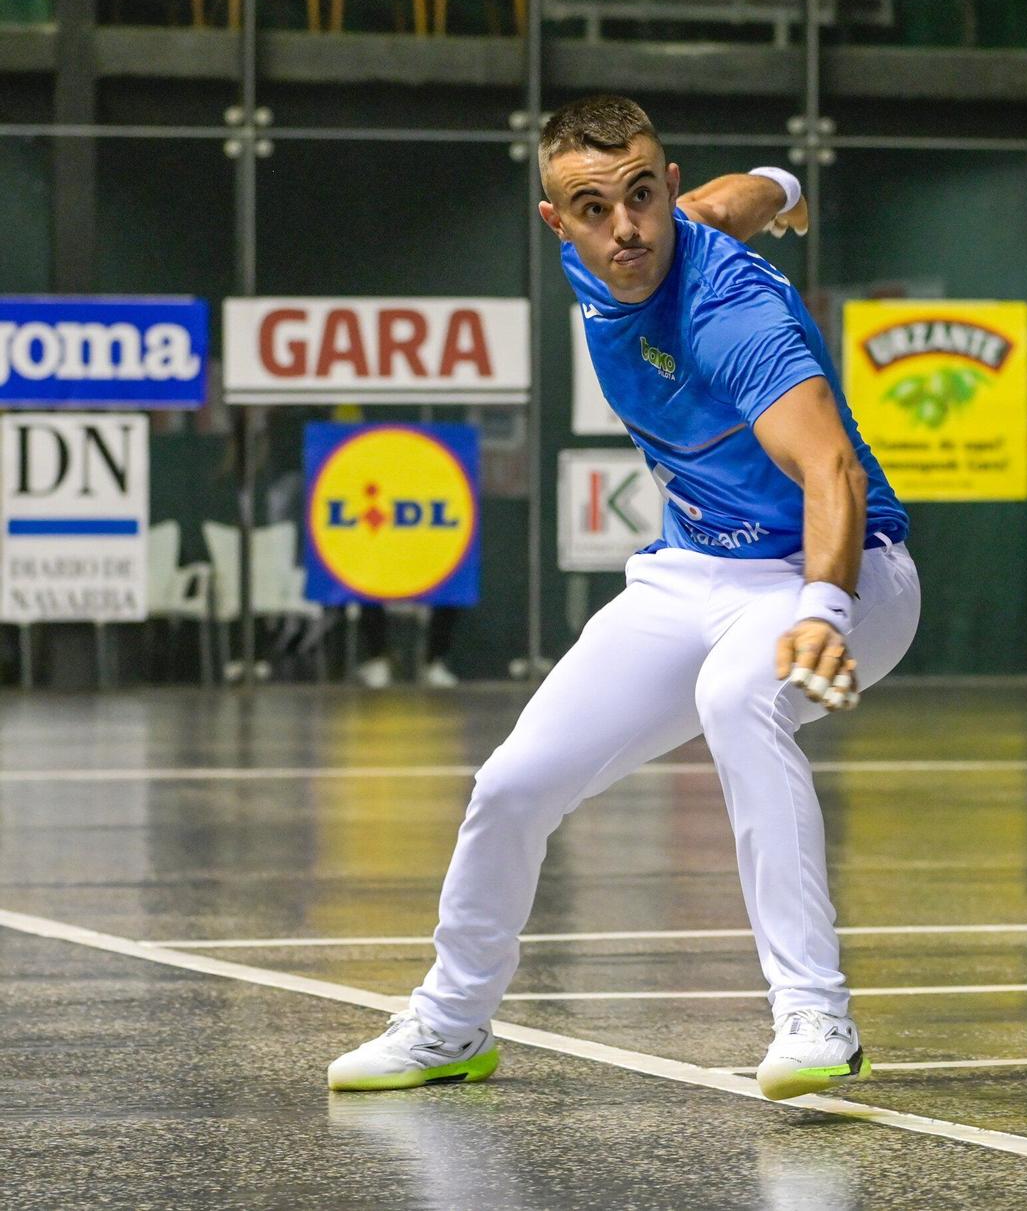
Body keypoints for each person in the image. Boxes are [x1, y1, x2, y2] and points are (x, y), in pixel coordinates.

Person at [328, 95, 919, 1099]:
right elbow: (730, 203)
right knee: (513, 782)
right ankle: (450, 1023)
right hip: (689, 569)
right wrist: (783, 186)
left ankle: (814, 1014)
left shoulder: (735, 310)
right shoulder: (612, 246)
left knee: (738, 697)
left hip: (841, 564)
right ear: (556, 221)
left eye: (643, 197)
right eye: (595, 208)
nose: (627, 229)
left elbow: (832, 471)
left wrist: (823, 603)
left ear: (666, 184)